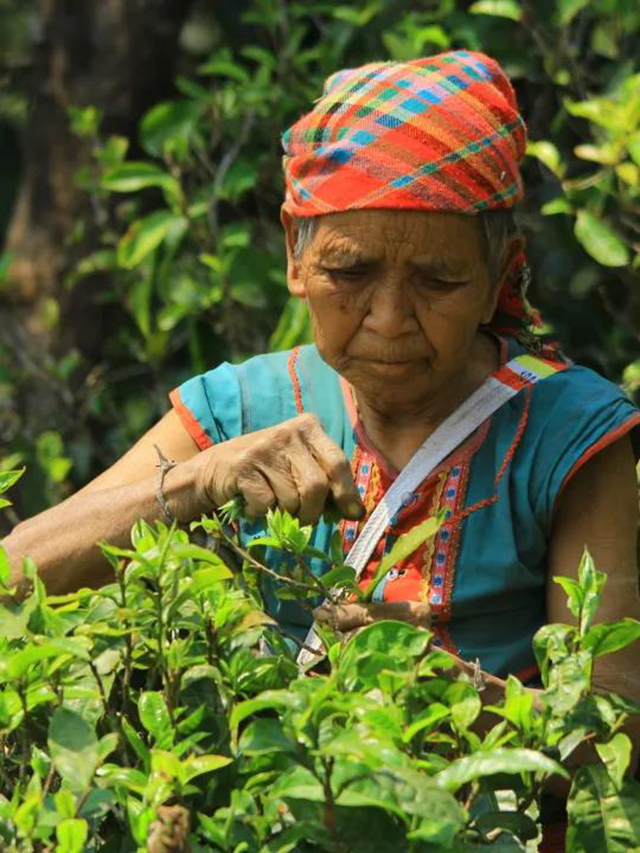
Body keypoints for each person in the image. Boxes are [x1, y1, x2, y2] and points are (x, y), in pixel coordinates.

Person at [3, 50, 640, 849]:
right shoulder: (236, 409)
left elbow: (614, 734)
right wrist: (194, 481)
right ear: (294, 256)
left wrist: (447, 695)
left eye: (437, 280)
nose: (388, 316)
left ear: (498, 274)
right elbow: (13, 578)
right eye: (351, 269)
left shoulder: (569, 430)